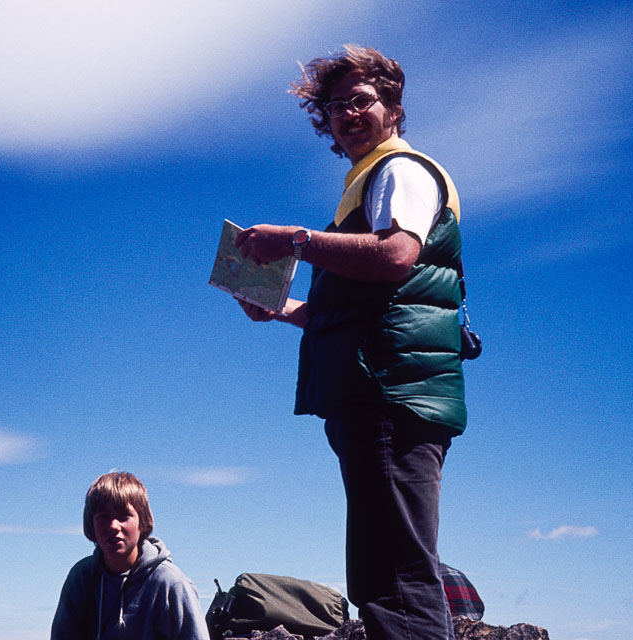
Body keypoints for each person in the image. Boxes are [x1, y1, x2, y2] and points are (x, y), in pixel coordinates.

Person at [234, 45, 466, 640]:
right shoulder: (366, 183)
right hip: (378, 391)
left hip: (390, 393)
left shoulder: (400, 171)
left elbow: (396, 255)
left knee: (395, 576)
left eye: (361, 100)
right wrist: (281, 310)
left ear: (392, 107)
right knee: (383, 572)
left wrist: (295, 240)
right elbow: (359, 307)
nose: (347, 115)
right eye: (335, 108)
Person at [50, 471, 210, 640]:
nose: (113, 526)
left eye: (123, 516)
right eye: (104, 517)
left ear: (142, 521)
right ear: (91, 523)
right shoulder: (81, 578)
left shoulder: (171, 584)